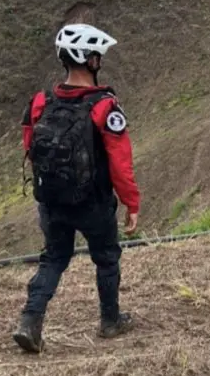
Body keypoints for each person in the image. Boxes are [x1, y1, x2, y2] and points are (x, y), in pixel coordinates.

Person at [12, 23, 141, 353]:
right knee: (107, 258)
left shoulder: (41, 101)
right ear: (89, 59)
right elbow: (120, 163)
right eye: (97, 55)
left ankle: (30, 321)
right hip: (93, 202)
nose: (100, 60)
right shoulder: (104, 107)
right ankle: (110, 321)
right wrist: (131, 203)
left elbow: (30, 148)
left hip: (52, 200)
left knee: (53, 258)